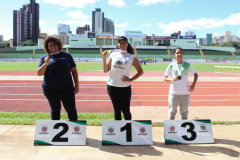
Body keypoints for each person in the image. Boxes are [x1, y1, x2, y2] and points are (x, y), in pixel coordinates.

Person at [37, 35, 79, 121]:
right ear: (47, 48)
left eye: (54, 45)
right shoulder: (45, 58)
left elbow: (74, 71)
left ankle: (75, 130)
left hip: (67, 88)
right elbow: (39, 73)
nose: (52, 47)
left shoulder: (67, 56)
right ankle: (55, 132)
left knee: (71, 109)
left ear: (58, 45)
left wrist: (77, 85)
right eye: (50, 46)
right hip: (50, 89)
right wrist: (45, 63)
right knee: (55, 110)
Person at [102, 36, 144, 120]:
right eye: (120, 43)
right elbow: (105, 70)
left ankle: (128, 130)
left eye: (124, 43)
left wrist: (131, 79)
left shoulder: (131, 57)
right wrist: (104, 58)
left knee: (125, 110)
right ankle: (118, 131)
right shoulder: (113, 55)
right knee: (116, 110)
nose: (122, 44)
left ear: (127, 44)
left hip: (125, 87)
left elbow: (140, 71)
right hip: (112, 85)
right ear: (118, 44)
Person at [164, 47, 198, 120]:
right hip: (173, 92)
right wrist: (171, 79)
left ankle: (184, 130)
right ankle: (172, 130)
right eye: (177, 53)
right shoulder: (171, 65)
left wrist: (193, 85)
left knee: (184, 113)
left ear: (183, 54)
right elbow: (165, 78)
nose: (179, 54)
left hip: (185, 93)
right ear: (174, 55)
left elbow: (195, 74)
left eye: (181, 53)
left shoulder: (187, 65)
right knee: (172, 112)